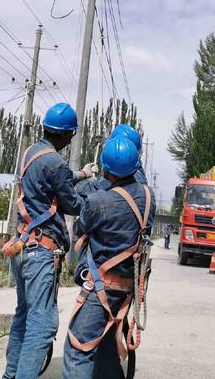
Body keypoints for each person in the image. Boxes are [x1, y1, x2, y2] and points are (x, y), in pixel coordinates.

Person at [3, 102, 98, 379]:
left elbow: (54, 179)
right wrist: (95, 198)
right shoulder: (56, 161)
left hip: (23, 248)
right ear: (67, 135)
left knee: (23, 318)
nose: (70, 140)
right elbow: (71, 203)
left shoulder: (31, 152)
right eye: (71, 135)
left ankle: (10, 375)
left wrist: (82, 174)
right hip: (40, 253)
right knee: (41, 325)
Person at [63, 135, 156, 379]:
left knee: (77, 348)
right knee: (105, 347)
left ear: (105, 169)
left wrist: (84, 179)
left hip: (101, 286)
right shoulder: (149, 197)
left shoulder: (98, 200)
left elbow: (80, 229)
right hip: (128, 287)